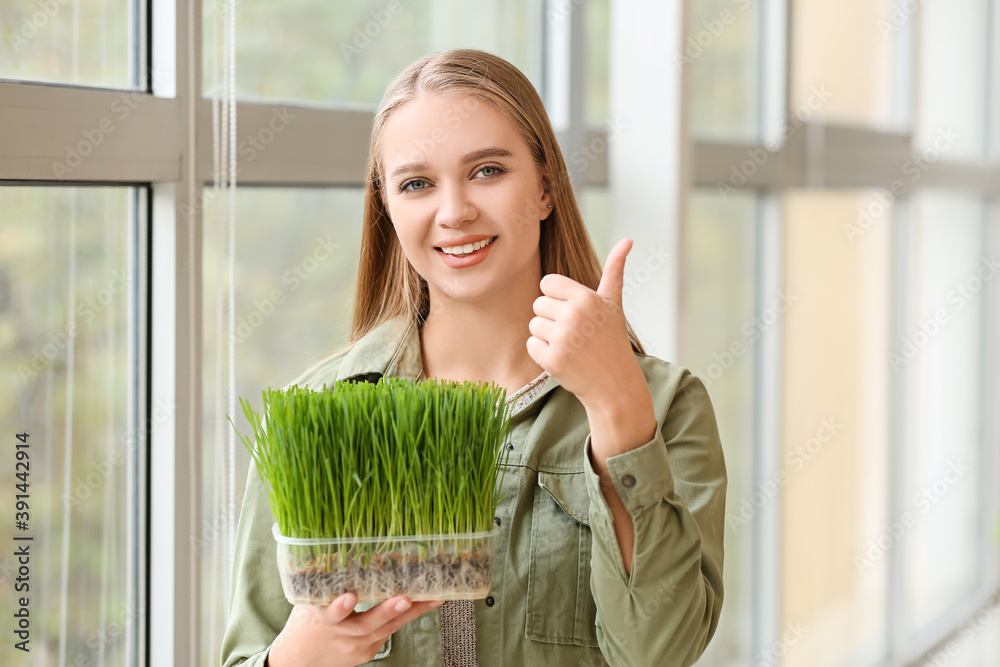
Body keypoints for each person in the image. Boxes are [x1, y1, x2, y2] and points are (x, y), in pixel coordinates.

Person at [221, 48, 727, 667]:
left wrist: (615, 405)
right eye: (416, 184)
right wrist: (302, 655)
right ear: (388, 208)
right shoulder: (315, 416)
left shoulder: (666, 406)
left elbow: (660, 653)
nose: (455, 211)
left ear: (545, 187)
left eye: (487, 170)